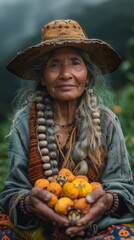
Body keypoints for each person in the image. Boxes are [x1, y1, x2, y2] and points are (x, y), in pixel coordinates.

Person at [0, 19, 134, 240]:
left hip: (96, 224)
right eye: (54, 64)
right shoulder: (24, 122)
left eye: (75, 63)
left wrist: (106, 201)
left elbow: (123, 186)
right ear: (42, 78)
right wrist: (29, 203)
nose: (65, 74)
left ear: (88, 76)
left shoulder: (107, 121)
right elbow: (13, 190)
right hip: (38, 226)